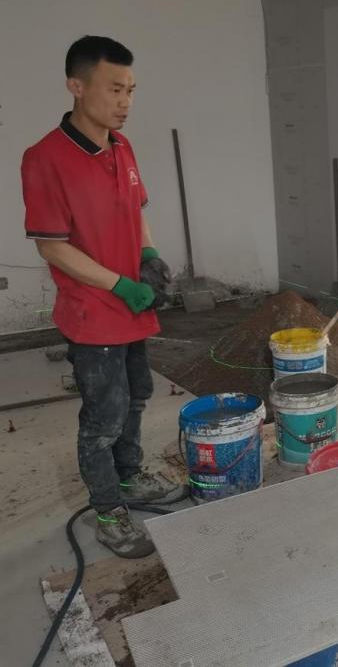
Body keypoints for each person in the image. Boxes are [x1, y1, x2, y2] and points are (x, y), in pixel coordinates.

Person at [21, 36, 181, 559]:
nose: (125, 102)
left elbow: (136, 211)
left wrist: (149, 255)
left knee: (136, 396)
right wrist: (121, 285)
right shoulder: (45, 158)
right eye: (114, 89)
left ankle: (129, 478)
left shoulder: (121, 147)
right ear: (76, 85)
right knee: (103, 418)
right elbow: (52, 246)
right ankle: (109, 510)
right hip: (93, 315)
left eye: (131, 90)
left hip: (131, 309)